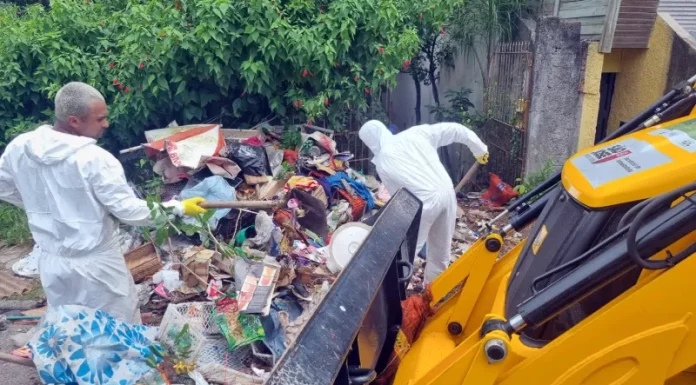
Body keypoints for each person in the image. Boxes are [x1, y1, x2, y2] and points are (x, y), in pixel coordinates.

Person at [0, 82, 206, 323]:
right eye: (100, 119)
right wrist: (179, 207)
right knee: (117, 333)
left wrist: (40, 207)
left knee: (71, 331)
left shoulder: (20, 148)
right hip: (97, 269)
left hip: (54, 267)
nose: (106, 124)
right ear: (74, 121)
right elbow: (130, 212)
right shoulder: (94, 159)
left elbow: (4, 187)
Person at [359, 120, 489, 283]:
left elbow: (401, 200)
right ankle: (433, 297)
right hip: (447, 193)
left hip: (423, 203)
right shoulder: (416, 133)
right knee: (440, 254)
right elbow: (456, 130)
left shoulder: (383, 162)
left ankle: (396, 299)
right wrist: (479, 149)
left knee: (405, 255)